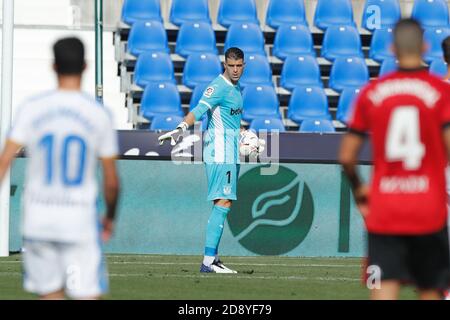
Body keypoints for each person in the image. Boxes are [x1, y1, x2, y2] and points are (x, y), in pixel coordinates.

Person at [0, 37, 120, 299]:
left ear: (53, 66)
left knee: (50, 294)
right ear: (86, 67)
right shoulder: (97, 114)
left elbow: (4, 162)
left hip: (38, 220)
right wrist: (109, 217)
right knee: (87, 293)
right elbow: (111, 181)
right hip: (78, 220)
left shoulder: (31, 108)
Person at [339, 19, 450, 300]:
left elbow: (347, 157)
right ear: (425, 47)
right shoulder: (440, 92)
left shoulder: (372, 92)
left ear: (392, 48)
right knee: (430, 289)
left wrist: (359, 189)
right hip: (428, 206)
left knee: (384, 288)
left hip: (386, 206)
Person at [159, 47, 262, 273]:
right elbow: (199, 109)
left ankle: (211, 259)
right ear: (224, 64)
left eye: (239, 66)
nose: (235, 70)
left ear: (244, 65)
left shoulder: (235, 89)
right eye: (231, 65)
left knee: (225, 202)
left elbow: (229, 118)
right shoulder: (218, 87)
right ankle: (208, 261)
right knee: (222, 202)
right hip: (219, 151)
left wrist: (245, 133)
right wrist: (180, 128)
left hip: (229, 151)